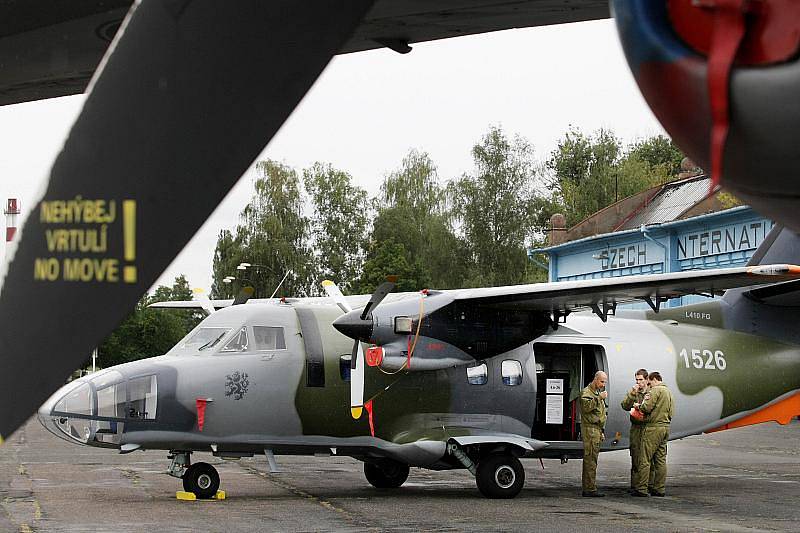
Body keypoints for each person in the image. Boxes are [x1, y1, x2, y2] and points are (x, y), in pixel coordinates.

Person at [632, 371, 675, 497]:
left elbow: (647, 408)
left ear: (654, 379)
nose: (649, 385)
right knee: (660, 460)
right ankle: (659, 488)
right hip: (665, 427)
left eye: (650, 382)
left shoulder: (655, 391)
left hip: (653, 428)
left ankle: (641, 488)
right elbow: (672, 412)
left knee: (644, 459)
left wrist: (638, 406)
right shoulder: (669, 393)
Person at [620, 369, 649, 493]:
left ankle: (647, 485)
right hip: (636, 427)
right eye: (637, 380)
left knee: (647, 457)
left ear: (647, 380)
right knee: (635, 455)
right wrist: (632, 394)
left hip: (648, 427)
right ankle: (635, 485)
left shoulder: (652, 392)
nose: (639, 382)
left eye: (641, 380)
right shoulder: (634, 392)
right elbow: (625, 406)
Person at [580, 370, 608, 497]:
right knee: (590, 459)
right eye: (602, 381)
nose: (603, 384)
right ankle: (589, 489)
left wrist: (601, 430)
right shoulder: (587, 392)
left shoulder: (595, 392)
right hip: (590, 430)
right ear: (596, 379)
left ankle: (590, 487)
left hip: (596, 429)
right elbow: (586, 408)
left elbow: (599, 413)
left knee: (593, 459)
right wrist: (599, 398)